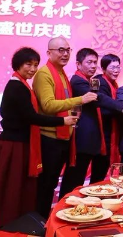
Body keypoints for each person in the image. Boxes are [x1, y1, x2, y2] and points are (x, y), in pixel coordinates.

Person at [0, 47, 77, 227]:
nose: (32, 69)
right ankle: (8, 222)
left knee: (18, 187)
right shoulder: (17, 86)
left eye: (35, 65)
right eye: (28, 64)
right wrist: (62, 121)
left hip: (19, 142)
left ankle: (17, 221)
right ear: (18, 64)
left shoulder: (22, 84)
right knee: (12, 187)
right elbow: (31, 117)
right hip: (13, 144)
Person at [60, 49, 123, 197]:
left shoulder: (92, 81)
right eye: (89, 62)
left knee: (87, 181)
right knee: (74, 181)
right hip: (83, 139)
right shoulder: (79, 81)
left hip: (92, 139)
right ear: (78, 64)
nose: (93, 66)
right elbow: (99, 98)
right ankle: (65, 206)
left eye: (95, 62)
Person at [33, 37, 97, 218]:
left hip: (62, 137)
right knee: (46, 184)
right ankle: (39, 222)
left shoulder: (61, 73)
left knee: (52, 183)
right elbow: (48, 105)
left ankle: (45, 219)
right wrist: (81, 99)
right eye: (60, 50)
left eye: (68, 50)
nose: (65, 54)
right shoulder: (44, 74)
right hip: (49, 138)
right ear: (49, 53)